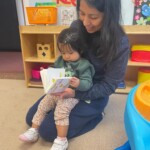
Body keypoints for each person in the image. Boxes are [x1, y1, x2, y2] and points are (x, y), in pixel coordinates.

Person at [25, 0, 130, 149]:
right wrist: (53, 74)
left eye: (93, 17)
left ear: (108, 16)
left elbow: (108, 86)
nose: (86, 22)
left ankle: (97, 116)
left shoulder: (119, 43)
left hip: (93, 93)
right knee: (32, 118)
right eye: (82, 13)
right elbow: (66, 56)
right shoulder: (77, 27)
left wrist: (75, 93)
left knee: (47, 131)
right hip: (68, 85)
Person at [19, 27, 95, 150]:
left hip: (72, 94)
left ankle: (61, 140)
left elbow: (88, 84)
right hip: (57, 91)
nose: (67, 56)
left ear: (80, 50)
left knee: (61, 112)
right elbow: (55, 69)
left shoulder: (84, 65)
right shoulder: (61, 60)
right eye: (63, 53)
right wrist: (47, 72)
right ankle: (33, 131)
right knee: (42, 105)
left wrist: (78, 83)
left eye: (70, 53)